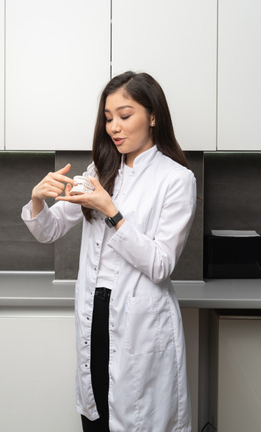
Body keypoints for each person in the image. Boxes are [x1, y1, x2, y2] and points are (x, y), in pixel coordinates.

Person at [22, 71, 196, 432]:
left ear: (153, 116)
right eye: (108, 118)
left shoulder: (176, 179)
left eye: (125, 115)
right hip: (94, 313)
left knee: (136, 418)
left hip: (139, 320)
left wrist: (111, 212)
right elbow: (50, 229)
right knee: (97, 414)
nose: (114, 126)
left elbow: (161, 264)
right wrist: (38, 199)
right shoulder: (100, 170)